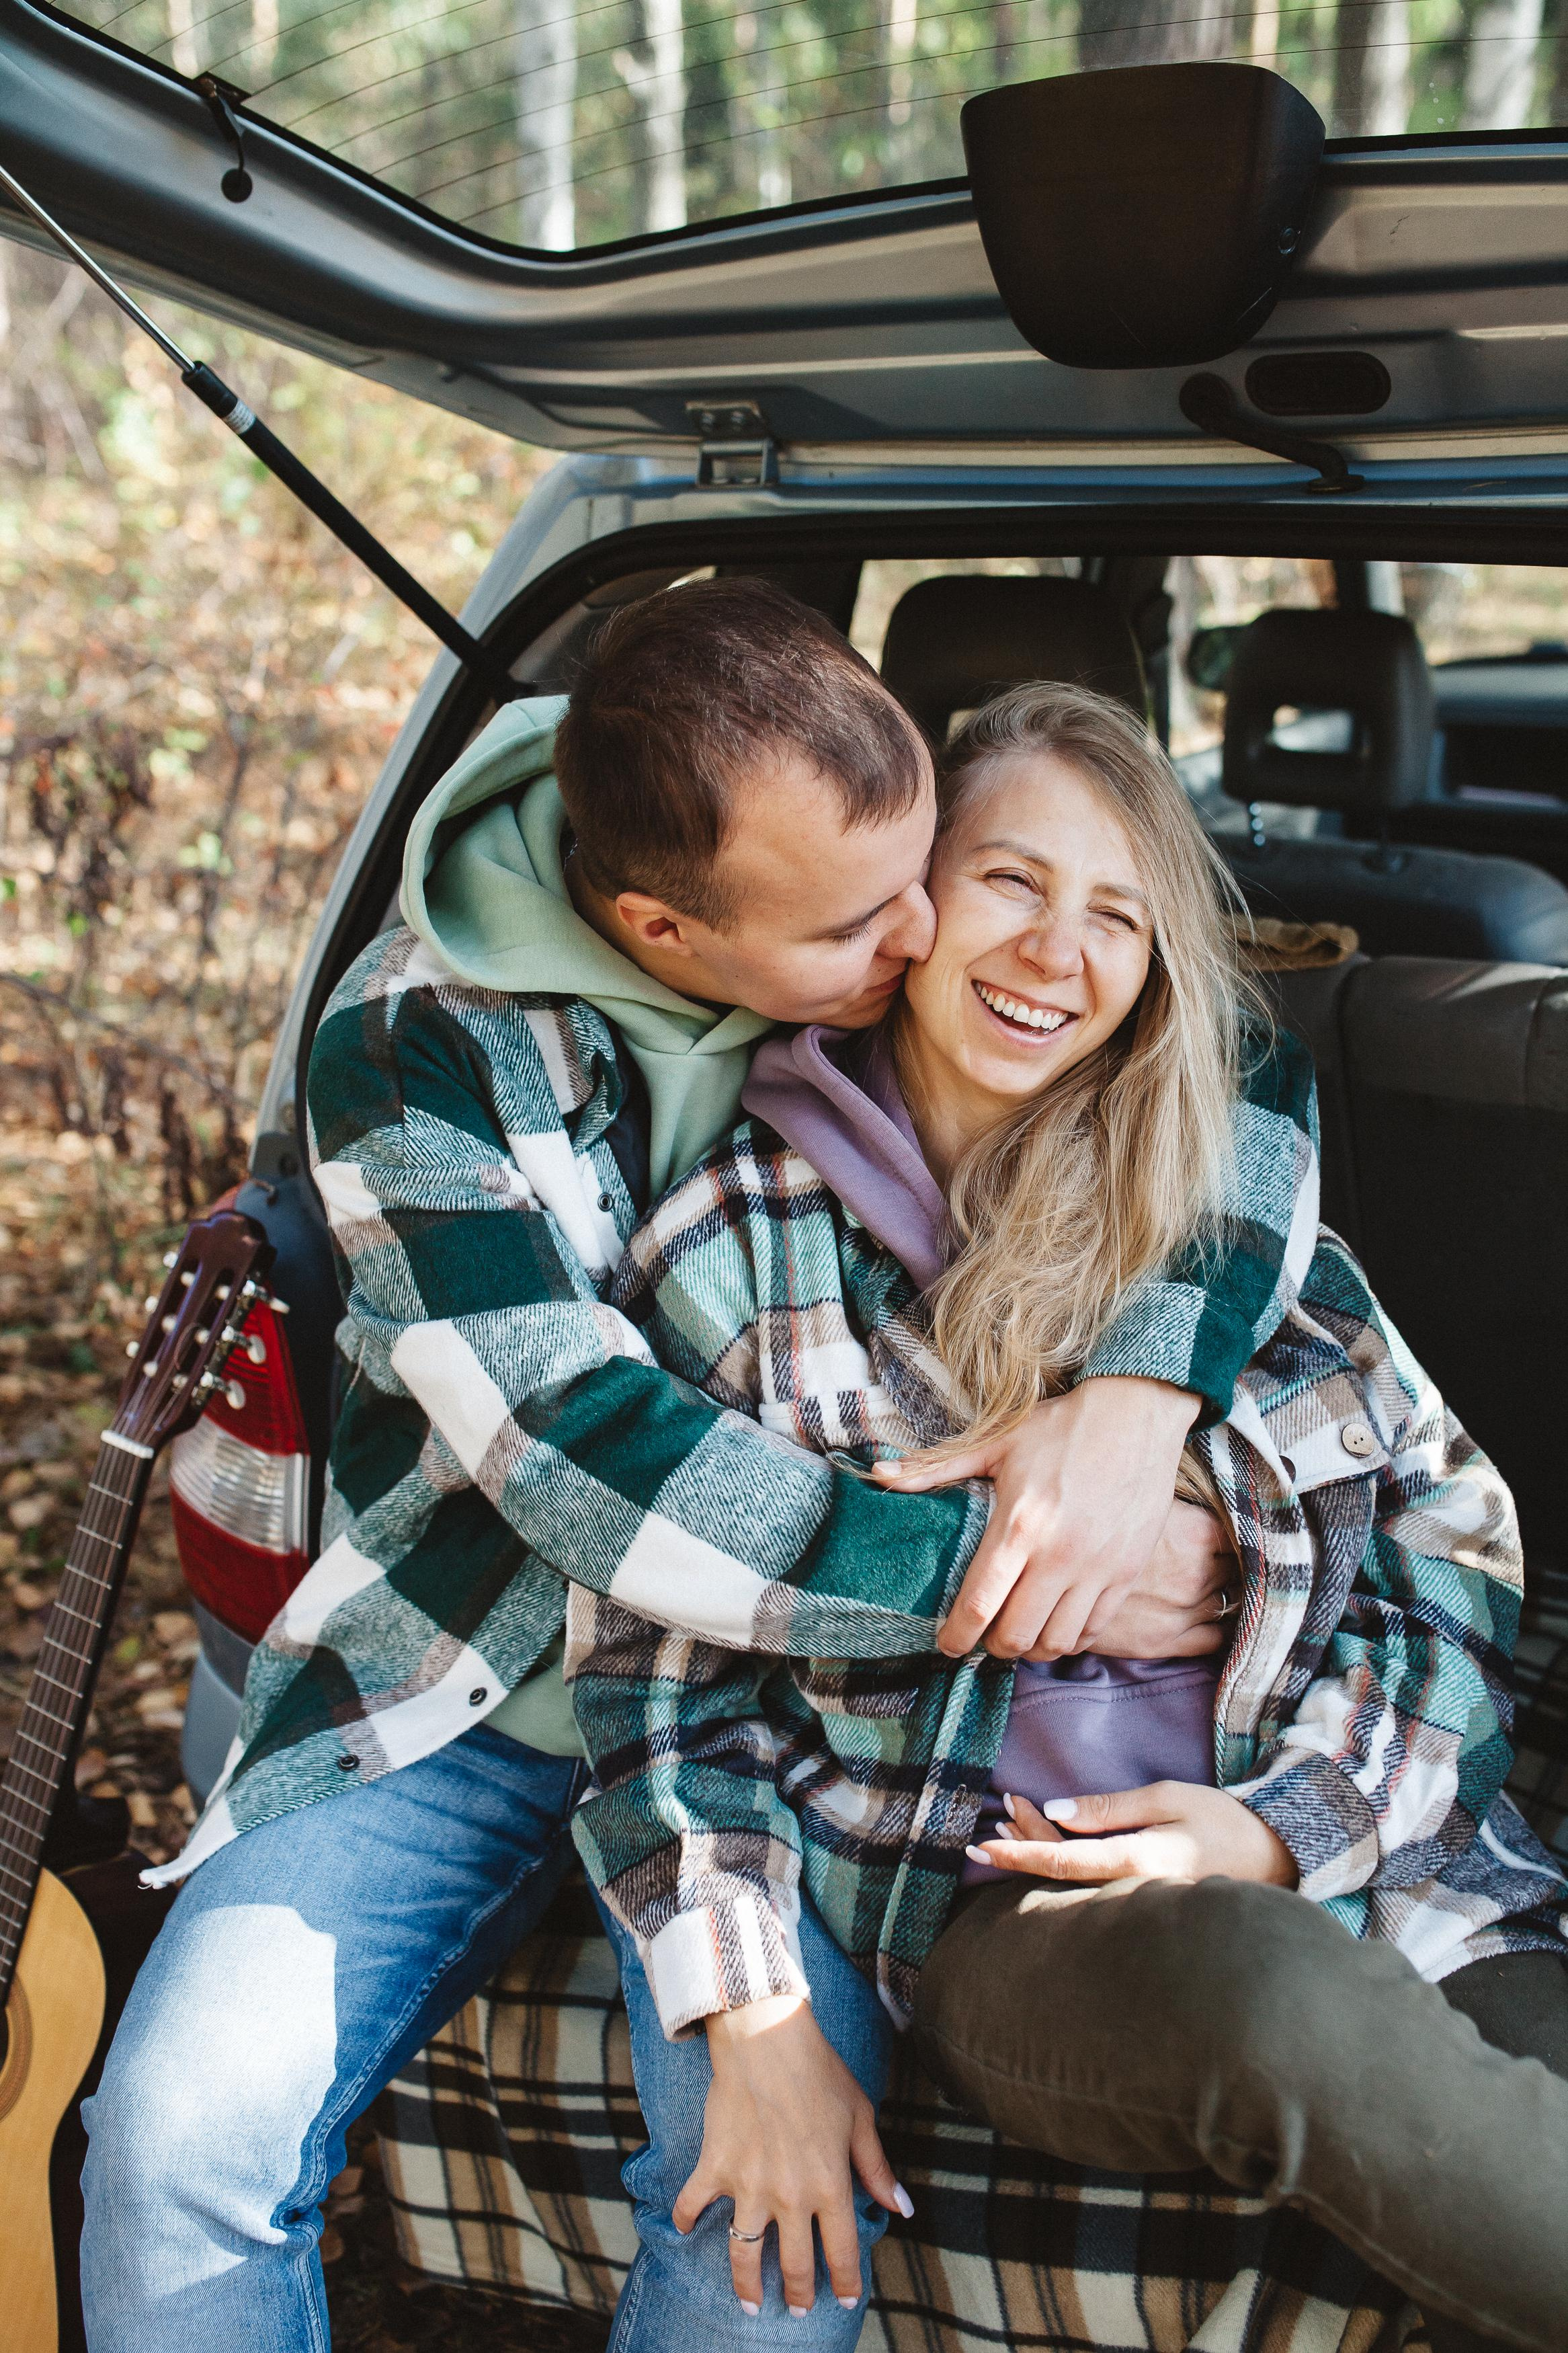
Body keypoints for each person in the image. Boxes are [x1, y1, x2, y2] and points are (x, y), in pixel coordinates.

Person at [77, 583, 1320, 2352]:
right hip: (476, 1675)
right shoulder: (419, 1051)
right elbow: (578, 1456)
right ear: (666, 928)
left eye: (928, 876)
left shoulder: (848, 848)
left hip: (786, 1718)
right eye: (858, 925)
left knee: (757, 2222)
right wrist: (1008, 1570)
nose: (925, 936)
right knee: (172, 2141)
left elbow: (1237, 1058)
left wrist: (1134, 1392)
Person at [573, 678, 1568, 2353]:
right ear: (908, 905)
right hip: (1003, 1898)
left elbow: (1450, 1552)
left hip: (1379, 1842)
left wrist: (1280, 1826)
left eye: (1116, 914)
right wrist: (745, 1999)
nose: (1056, 954)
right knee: (1263, 1992)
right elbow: (656, 1702)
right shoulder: (732, 1244)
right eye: (1014, 882)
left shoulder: (1222, 1208)